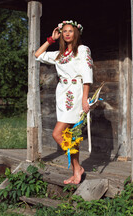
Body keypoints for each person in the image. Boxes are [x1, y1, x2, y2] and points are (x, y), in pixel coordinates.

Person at [35, 20, 93, 184]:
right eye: (64, 31)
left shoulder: (82, 50)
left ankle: (77, 168)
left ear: (76, 33)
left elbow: (87, 75)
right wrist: (50, 40)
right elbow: (37, 55)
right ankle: (77, 171)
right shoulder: (59, 54)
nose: (67, 33)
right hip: (62, 94)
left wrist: (84, 99)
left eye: (70, 31)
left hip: (75, 94)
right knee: (70, 136)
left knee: (57, 133)